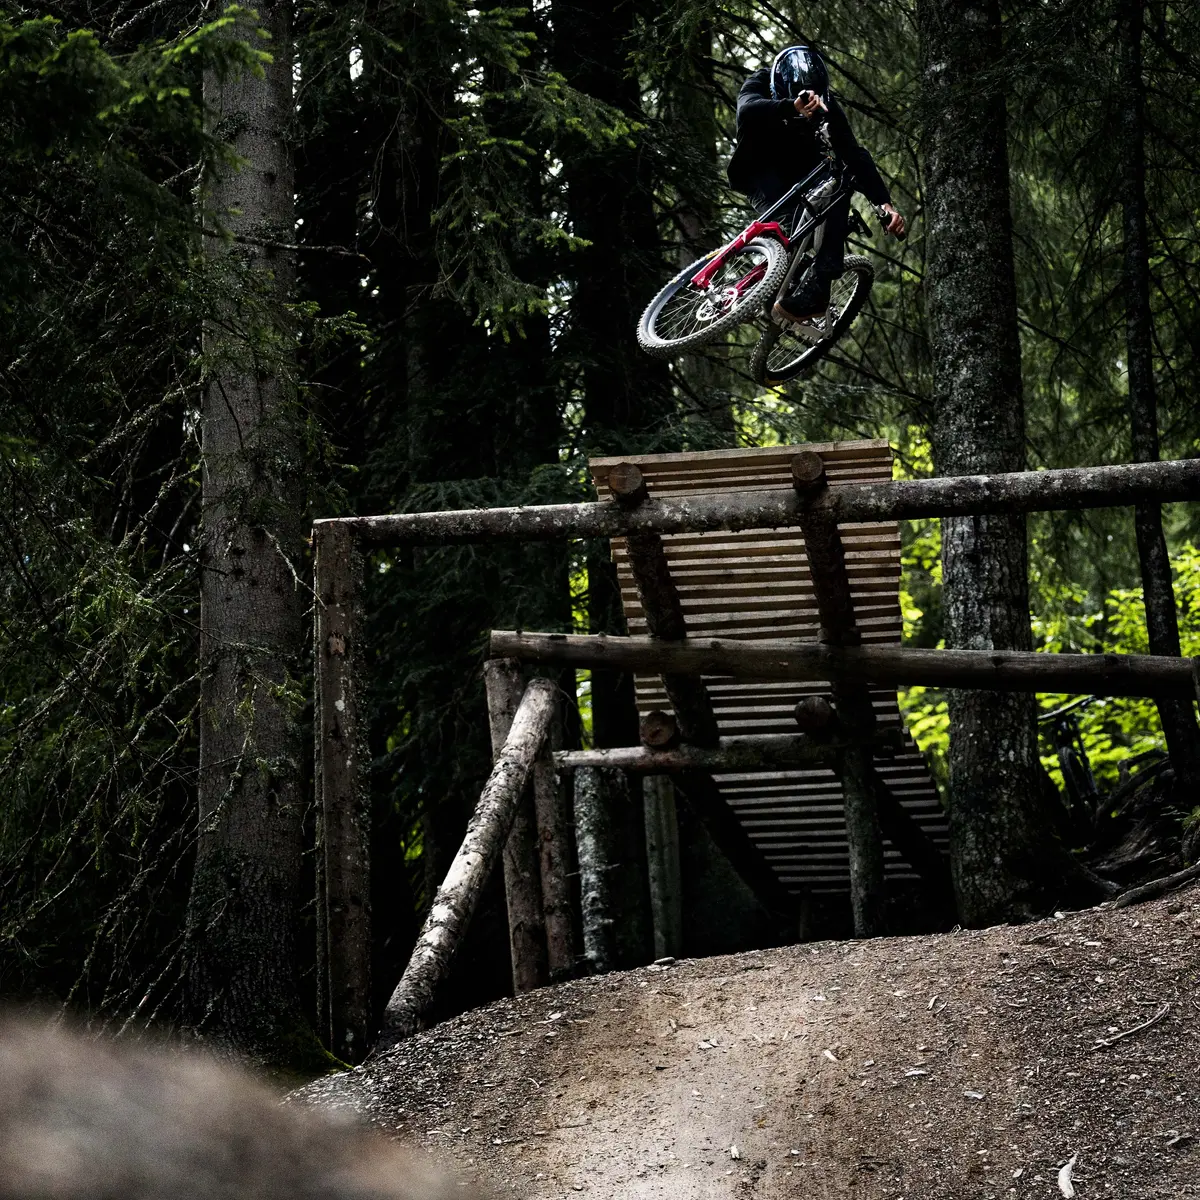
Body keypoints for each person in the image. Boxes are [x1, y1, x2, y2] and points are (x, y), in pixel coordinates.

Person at [727, 45, 906, 325]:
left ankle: (819, 286)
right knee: (787, 230)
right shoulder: (761, 81)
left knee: (841, 178)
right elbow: (746, 112)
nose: (808, 108)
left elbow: (854, 154)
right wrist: (791, 106)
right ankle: (777, 284)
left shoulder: (826, 105)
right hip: (758, 172)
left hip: (801, 176)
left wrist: (885, 204)